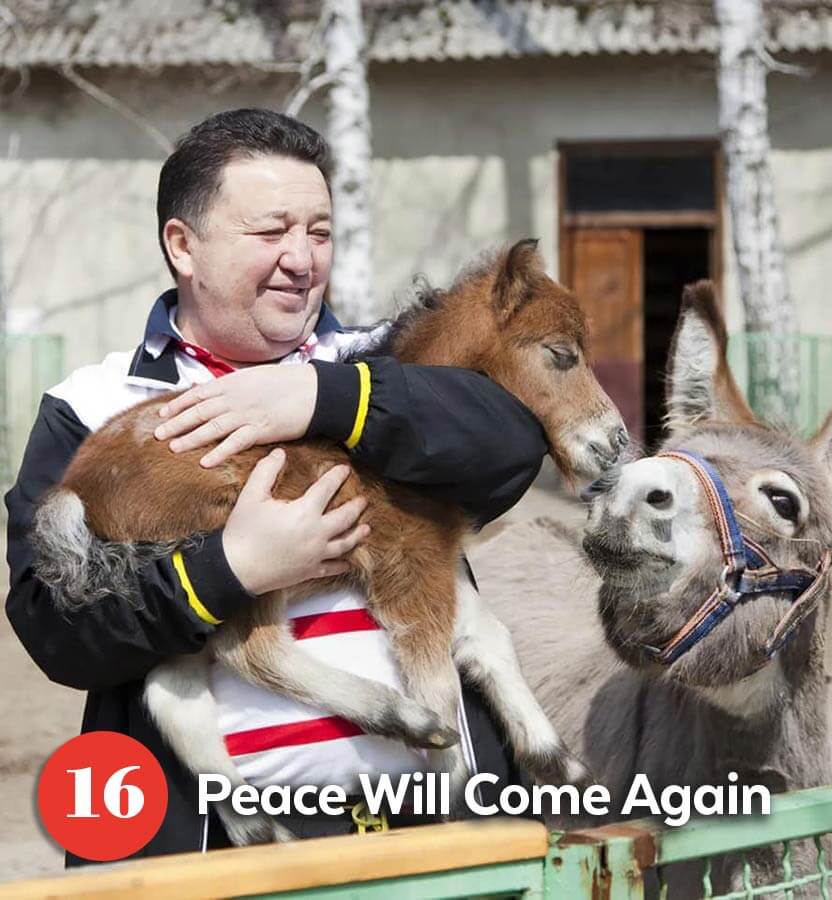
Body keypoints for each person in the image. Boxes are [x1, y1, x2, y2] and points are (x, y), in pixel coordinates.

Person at [5, 109, 548, 864]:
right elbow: (60, 632)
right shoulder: (94, 406)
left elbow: (513, 444)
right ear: (183, 246)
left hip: (435, 838)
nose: (301, 258)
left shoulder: (378, 363)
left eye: (319, 232)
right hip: (214, 856)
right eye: (271, 232)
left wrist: (321, 399)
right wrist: (231, 571)